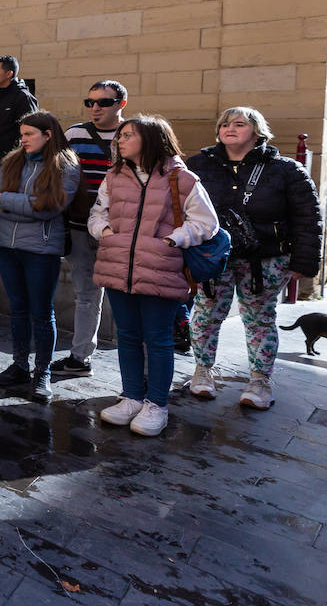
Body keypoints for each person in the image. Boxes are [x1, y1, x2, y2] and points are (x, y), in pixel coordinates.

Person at [90, 116, 219, 436]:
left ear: (150, 139)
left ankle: (156, 404)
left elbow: (206, 223)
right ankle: (132, 396)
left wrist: (173, 240)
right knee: (128, 337)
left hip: (162, 269)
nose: (119, 140)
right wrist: (105, 234)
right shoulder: (114, 175)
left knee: (159, 340)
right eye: (119, 136)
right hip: (118, 268)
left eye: (127, 135)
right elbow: (97, 214)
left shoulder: (182, 178)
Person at [185, 107, 321, 409]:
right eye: (223, 124)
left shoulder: (286, 170)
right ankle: (202, 370)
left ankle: (260, 380)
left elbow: (307, 218)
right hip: (214, 256)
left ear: (257, 132)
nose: (229, 128)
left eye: (239, 124)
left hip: (267, 259)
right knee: (206, 316)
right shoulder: (197, 166)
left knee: (260, 320)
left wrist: (304, 263)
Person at [0, 111, 79, 403]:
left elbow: (51, 207)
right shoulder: (12, 160)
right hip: (7, 246)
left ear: (48, 134)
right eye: (22, 134)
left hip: (41, 250)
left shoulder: (66, 165)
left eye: (29, 134)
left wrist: (10, 201)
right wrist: (22, 205)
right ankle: (19, 365)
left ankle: (43, 373)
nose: (23, 140)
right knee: (17, 308)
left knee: (41, 313)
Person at [52, 80, 127, 378]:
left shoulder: (134, 133)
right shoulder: (75, 133)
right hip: (81, 226)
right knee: (86, 294)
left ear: (121, 104)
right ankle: (80, 357)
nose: (95, 108)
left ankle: (137, 365)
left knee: (126, 295)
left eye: (103, 102)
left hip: (122, 231)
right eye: (90, 102)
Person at [0, 56, 38, 210]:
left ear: (9, 73)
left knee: (7, 208)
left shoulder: (23, 98)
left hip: (13, 167)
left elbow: (32, 132)